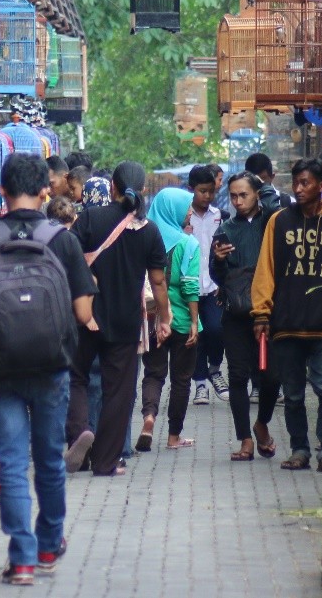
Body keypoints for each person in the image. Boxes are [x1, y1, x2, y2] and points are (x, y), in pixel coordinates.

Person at [0, 154, 96, 587]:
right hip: (53, 367)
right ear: (45, 191)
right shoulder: (62, 240)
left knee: (13, 464)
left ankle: (21, 560)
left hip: (2, 369)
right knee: (50, 461)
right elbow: (81, 311)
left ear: (0, 192)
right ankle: (50, 545)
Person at [65, 162, 171, 478]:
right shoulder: (150, 231)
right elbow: (158, 281)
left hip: (86, 316)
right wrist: (164, 318)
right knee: (118, 391)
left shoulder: (89, 219)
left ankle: (81, 429)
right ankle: (106, 461)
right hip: (126, 322)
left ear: (112, 186)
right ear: (141, 191)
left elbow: (69, 257)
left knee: (75, 376)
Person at [251, 158, 322, 472]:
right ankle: (299, 449)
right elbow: (266, 269)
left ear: (321, 186)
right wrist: (261, 314)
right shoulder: (279, 221)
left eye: (306, 183)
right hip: (287, 323)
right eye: (296, 183)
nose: (299, 189)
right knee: (292, 394)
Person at [211, 173, 280, 462]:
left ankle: (262, 423)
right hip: (237, 313)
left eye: (245, 195)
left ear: (257, 194)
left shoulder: (272, 223)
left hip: (271, 311)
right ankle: (245, 440)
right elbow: (216, 276)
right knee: (237, 375)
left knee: (271, 376)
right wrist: (219, 259)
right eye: (234, 196)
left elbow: (277, 202)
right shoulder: (225, 228)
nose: (238, 201)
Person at [138, 188, 201, 452]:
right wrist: (195, 322)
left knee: (153, 374)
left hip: (152, 319)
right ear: (173, 209)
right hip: (183, 321)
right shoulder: (189, 244)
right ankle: (174, 436)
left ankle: (149, 418)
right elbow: (190, 287)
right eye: (187, 207)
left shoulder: (144, 238)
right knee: (181, 380)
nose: (190, 212)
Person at [185, 167, 227, 405]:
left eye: (210, 191)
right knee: (196, 334)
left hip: (213, 286)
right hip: (190, 287)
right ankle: (200, 383)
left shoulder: (219, 216)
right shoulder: (185, 216)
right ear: (192, 190)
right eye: (202, 191)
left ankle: (215, 368)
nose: (207, 196)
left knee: (216, 329)